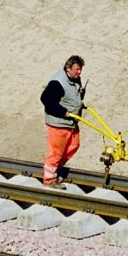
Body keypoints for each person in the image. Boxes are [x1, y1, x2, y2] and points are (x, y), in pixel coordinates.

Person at [40, 54, 85, 188]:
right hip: (58, 124)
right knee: (56, 152)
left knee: (74, 145)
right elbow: (46, 99)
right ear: (68, 68)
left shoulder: (75, 78)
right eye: (77, 69)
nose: (79, 72)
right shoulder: (57, 82)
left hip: (71, 122)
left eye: (80, 69)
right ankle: (49, 180)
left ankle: (55, 170)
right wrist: (64, 112)